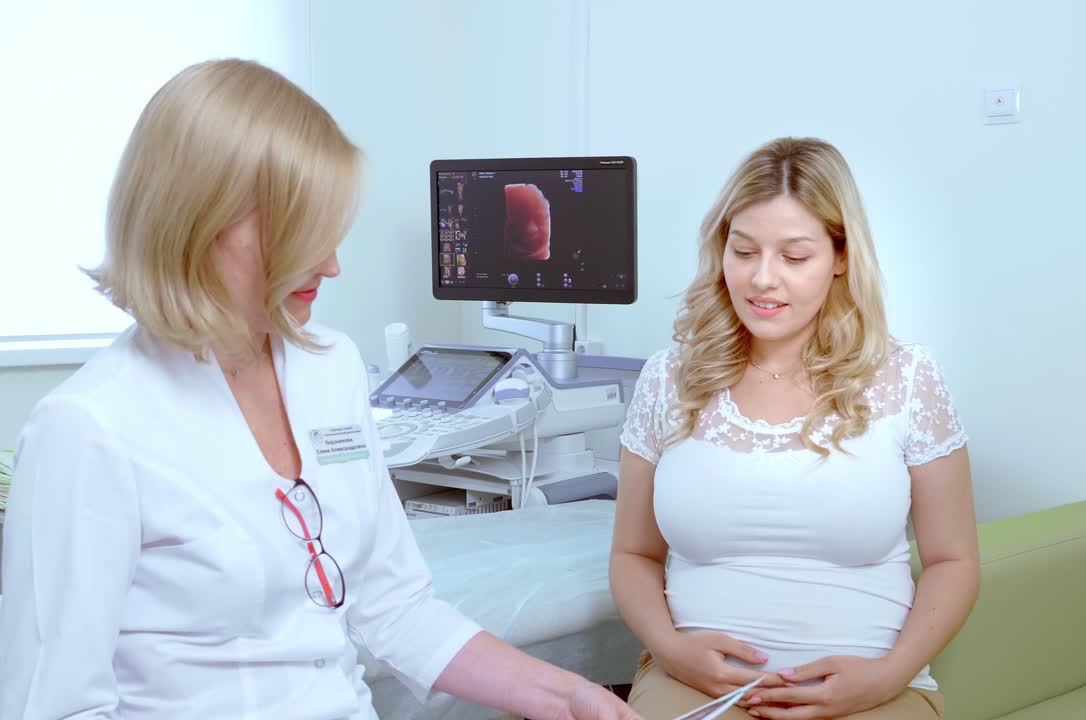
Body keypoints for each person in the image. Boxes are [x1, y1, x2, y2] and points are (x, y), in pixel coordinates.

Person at [0, 59, 639, 720]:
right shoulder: (89, 429)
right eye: (301, 235)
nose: (332, 264)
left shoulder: (328, 367)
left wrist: (572, 697)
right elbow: (56, 706)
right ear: (197, 223)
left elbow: (395, 608)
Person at [610, 138, 979, 720]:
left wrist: (887, 677)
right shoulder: (668, 379)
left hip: (873, 686)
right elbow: (632, 553)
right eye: (744, 251)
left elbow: (954, 561)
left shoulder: (907, 377)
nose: (762, 279)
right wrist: (672, 651)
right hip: (697, 685)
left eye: (795, 256)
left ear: (839, 257)